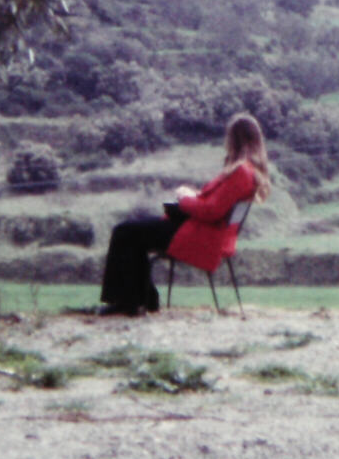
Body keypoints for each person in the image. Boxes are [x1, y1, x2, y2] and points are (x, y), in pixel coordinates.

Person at [97, 113, 273, 316]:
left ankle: (128, 302)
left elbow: (211, 211)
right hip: (203, 230)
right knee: (134, 231)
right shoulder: (247, 171)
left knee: (124, 231)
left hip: (201, 235)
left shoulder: (241, 172)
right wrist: (195, 196)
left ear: (234, 139)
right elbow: (216, 205)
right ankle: (142, 300)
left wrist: (184, 199)